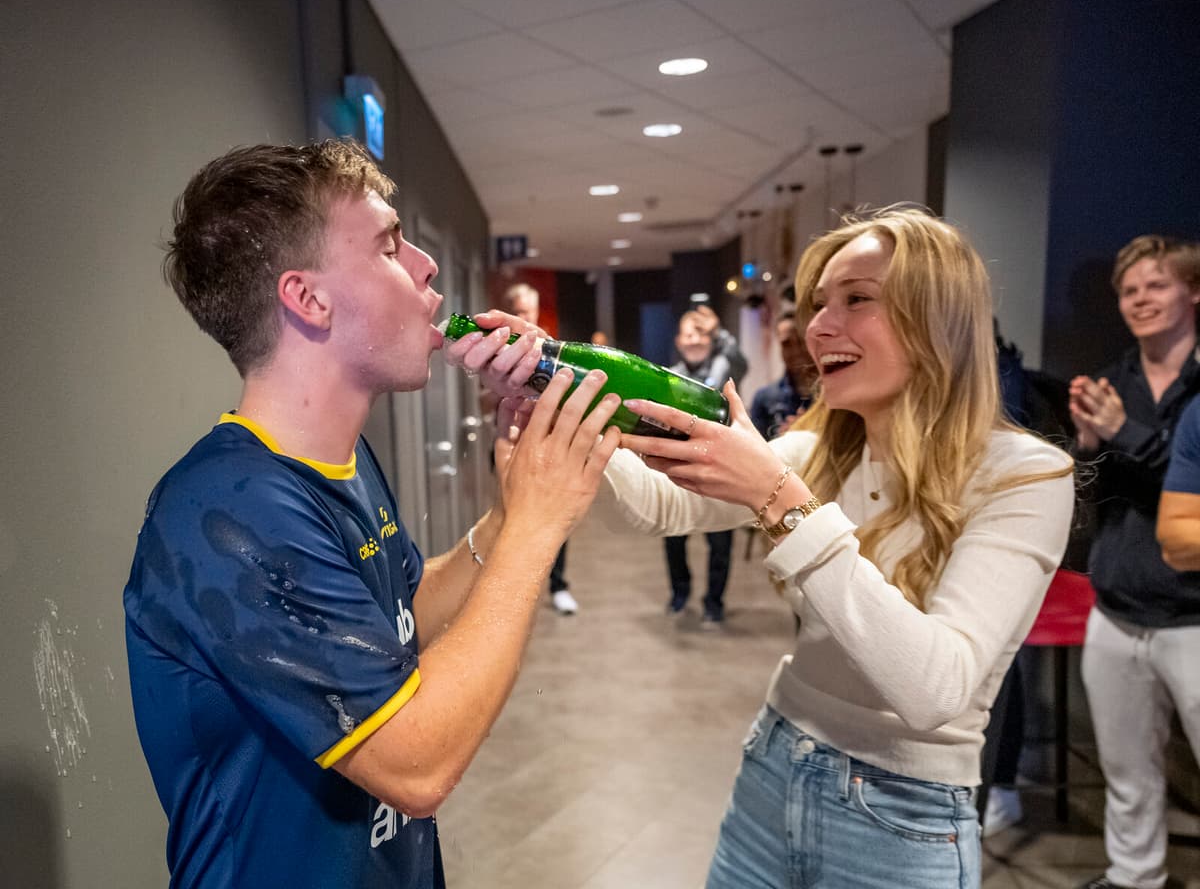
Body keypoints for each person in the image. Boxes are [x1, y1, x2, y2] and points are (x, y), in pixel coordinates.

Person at [122, 139, 620, 889]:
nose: (426, 266)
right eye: (390, 246)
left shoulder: (342, 461)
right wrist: (537, 527)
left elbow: (398, 615)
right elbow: (417, 764)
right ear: (309, 300)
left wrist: (507, 512)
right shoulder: (228, 510)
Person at [596, 206, 1074, 887]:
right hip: (773, 770)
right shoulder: (818, 449)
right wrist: (561, 409)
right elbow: (656, 506)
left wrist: (779, 500)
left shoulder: (1027, 476)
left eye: (857, 299)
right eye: (819, 303)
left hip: (904, 819)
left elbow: (935, 688)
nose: (818, 327)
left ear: (938, 320)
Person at [1069, 234, 1200, 889]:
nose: (1140, 299)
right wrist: (1089, 447)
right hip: (1118, 609)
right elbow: (1091, 499)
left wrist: (1128, 435)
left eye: (1156, 284)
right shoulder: (1112, 383)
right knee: (1126, 772)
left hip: (1194, 616)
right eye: (1128, 290)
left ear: (1193, 292)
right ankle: (1135, 877)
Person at [662, 305, 748, 625]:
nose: (695, 340)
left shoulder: (726, 369)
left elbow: (741, 360)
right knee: (674, 537)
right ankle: (679, 593)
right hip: (677, 469)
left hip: (721, 468)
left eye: (702, 334)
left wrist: (718, 331)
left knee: (720, 541)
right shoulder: (668, 375)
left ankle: (714, 602)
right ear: (678, 341)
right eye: (689, 334)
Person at [501, 282, 578, 615]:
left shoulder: (554, 353)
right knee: (510, 519)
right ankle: (512, 590)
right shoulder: (496, 352)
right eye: (517, 311)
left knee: (555, 518)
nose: (524, 317)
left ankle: (558, 585)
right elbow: (482, 401)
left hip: (548, 444)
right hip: (509, 444)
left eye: (528, 311)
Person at [749, 298, 815, 440]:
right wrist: (785, 439)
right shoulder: (764, 398)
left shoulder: (833, 396)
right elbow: (754, 447)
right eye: (787, 344)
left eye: (802, 341)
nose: (796, 351)